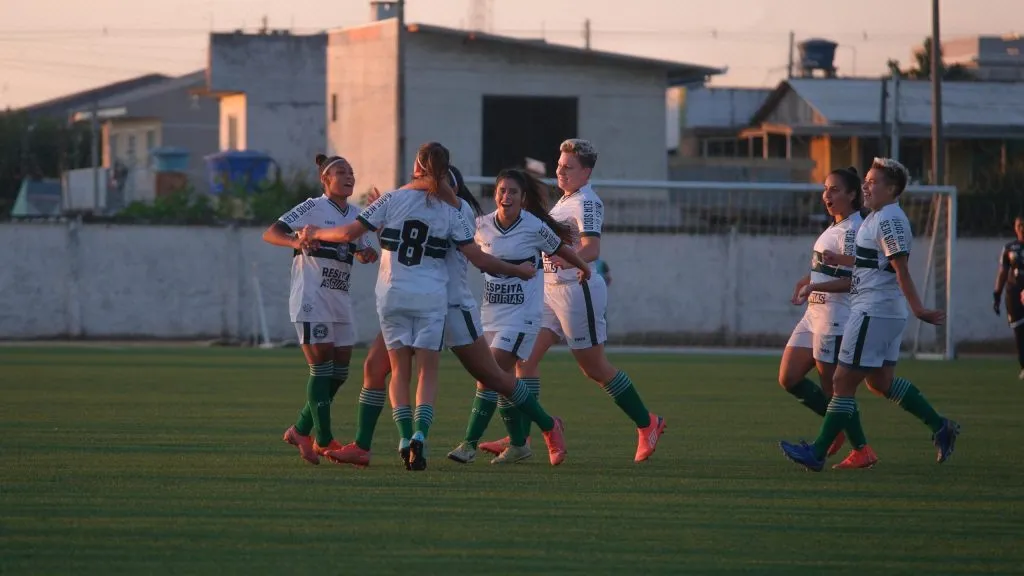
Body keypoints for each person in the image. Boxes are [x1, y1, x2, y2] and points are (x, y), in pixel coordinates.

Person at [301, 143, 567, 470]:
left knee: (492, 377)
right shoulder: (432, 205)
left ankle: (548, 426)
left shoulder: (457, 210)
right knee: (375, 367)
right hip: (425, 299)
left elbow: (473, 255)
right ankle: (364, 445)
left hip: (451, 306)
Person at [481, 138, 666, 463]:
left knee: (594, 368)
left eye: (569, 167)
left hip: (577, 292)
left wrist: (571, 260)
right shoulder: (564, 202)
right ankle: (521, 439)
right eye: (559, 165)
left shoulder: (587, 202)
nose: (561, 172)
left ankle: (647, 422)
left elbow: (592, 248)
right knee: (524, 360)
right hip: (550, 293)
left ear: (587, 172)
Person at [780, 157, 960, 471]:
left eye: (873, 182)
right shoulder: (878, 218)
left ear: (892, 189)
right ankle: (940, 425)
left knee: (841, 382)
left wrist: (918, 308)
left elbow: (899, 268)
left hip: (873, 310)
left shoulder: (889, 219)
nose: (866, 186)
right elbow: (873, 262)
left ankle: (820, 452)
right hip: (880, 310)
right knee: (880, 382)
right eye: (866, 180)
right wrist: (835, 264)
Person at [446, 168, 590, 465]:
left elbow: (562, 248)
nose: (506, 196)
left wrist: (584, 266)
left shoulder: (533, 226)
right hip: (490, 315)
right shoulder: (481, 225)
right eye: (502, 191)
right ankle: (527, 439)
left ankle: (469, 444)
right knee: (501, 379)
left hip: (522, 315)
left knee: (490, 375)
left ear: (523, 199)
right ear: (495, 194)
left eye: (513, 192)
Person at [262, 154, 378, 466]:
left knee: (340, 372)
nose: (348, 176)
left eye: (351, 172)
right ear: (325, 180)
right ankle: (323, 438)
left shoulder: (357, 215)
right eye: (341, 171)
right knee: (322, 364)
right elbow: (271, 232)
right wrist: (295, 243)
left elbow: (364, 249)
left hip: (340, 299)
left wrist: (367, 254)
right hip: (312, 297)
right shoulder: (312, 206)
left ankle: (301, 429)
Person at [781, 167, 877, 469]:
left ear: (852, 195)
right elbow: (831, 268)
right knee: (789, 377)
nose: (827, 195)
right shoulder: (837, 226)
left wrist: (815, 285)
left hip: (836, 316)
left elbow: (855, 280)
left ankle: (859, 448)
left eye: (835, 189)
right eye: (826, 188)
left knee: (834, 389)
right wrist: (807, 279)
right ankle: (834, 432)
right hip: (815, 314)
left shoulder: (853, 230)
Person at [993, 215, 1024, 379]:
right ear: (1015, 228)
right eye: (1019, 225)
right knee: (1019, 330)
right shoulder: (1009, 248)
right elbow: (1003, 272)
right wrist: (997, 295)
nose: (1022, 228)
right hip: (1013, 293)